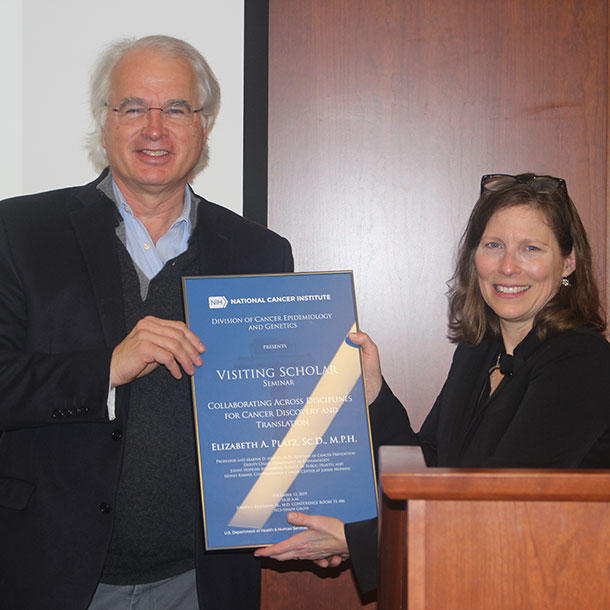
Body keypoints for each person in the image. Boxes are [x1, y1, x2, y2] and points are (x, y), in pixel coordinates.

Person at [0, 35, 293, 609]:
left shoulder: (259, 253)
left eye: (176, 109)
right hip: (52, 574)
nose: (154, 129)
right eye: (133, 108)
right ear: (104, 121)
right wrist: (107, 368)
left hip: (200, 581)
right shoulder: (20, 232)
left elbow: (277, 408)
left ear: (204, 125)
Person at [255, 173, 610, 593]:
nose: (507, 266)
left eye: (531, 248)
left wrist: (356, 540)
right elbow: (427, 470)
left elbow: (504, 507)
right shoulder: (478, 352)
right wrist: (372, 394)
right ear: (473, 257)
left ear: (568, 263)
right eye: (493, 245)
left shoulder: (581, 360)